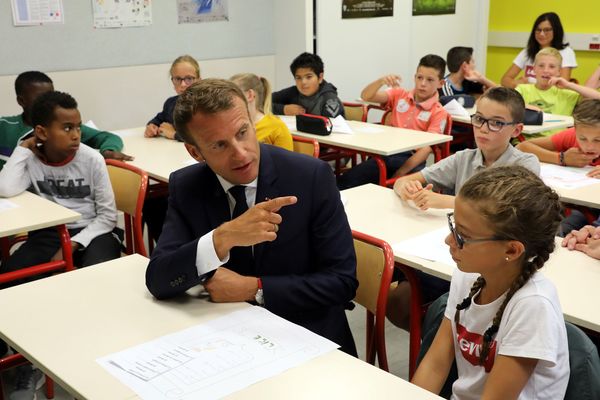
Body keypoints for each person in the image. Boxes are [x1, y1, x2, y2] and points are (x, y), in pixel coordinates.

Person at [145, 79, 358, 356]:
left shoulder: (310, 176)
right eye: (219, 145)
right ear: (195, 152)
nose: (241, 152)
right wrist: (223, 238)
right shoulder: (187, 185)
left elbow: (342, 283)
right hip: (224, 338)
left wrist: (254, 289)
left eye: (243, 132)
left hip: (307, 334)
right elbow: (159, 279)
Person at [0, 91, 120, 400]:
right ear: (41, 132)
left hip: (93, 231)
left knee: (95, 279)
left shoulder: (91, 158)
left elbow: (107, 217)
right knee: (14, 276)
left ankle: (98, 353)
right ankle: (30, 357)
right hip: (50, 232)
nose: (76, 135)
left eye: (78, 126)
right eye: (66, 128)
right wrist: (24, 150)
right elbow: (6, 188)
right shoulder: (31, 157)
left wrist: (74, 246)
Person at [412, 165, 569, 399]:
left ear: (512, 250)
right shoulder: (469, 275)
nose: (449, 240)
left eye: (463, 236)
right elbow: (436, 364)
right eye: (453, 226)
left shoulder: (533, 306)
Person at [389, 87, 538, 329]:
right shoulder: (465, 158)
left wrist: (451, 202)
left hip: (496, 264)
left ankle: (458, 334)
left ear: (517, 130)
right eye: (479, 119)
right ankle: (447, 336)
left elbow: (507, 210)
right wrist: (407, 187)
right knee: (397, 298)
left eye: (496, 123)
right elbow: (406, 179)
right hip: (455, 254)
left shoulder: (524, 164)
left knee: (410, 292)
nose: (483, 129)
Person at [337, 54, 449, 190]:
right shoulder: (400, 95)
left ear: (440, 83)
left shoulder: (439, 112)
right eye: (419, 77)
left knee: (389, 189)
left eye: (430, 80)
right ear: (414, 77)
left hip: (412, 161)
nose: (423, 83)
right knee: (347, 181)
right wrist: (381, 81)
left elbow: (426, 150)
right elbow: (366, 96)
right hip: (387, 154)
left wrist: (401, 173)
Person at [0, 71, 132, 170]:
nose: (48, 102)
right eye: (41, 97)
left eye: (51, 95)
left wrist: (108, 151)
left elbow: (108, 137)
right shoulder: (4, 126)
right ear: (21, 101)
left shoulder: (62, 128)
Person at [517, 100, 600, 234]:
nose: (589, 146)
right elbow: (522, 147)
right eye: (583, 139)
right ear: (575, 129)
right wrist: (561, 158)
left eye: (598, 140)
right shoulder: (571, 136)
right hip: (574, 207)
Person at [515, 48, 600, 122]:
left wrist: (568, 85)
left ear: (559, 71)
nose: (546, 70)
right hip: (525, 138)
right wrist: (533, 109)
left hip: (556, 140)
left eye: (551, 67)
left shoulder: (567, 94)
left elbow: (597, 97)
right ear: (534, 69)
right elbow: (508, 105)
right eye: (541, 66)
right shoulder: (522, 89)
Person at [501, 12, 576, 88]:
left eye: (547, 30)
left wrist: (529, 85)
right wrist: (519, 84)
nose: (541, 34)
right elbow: (505, 80)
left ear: (556, 31)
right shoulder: (527, 51)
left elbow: (562, 86)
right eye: (538, 30)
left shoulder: (566, 52)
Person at [230, 73, 293, 151]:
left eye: (233, 95)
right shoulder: (231, 125)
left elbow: (285, 161)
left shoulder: (277, 127)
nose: (228, 100)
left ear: (249, 95)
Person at [271, 52, 345, 118]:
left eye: (309, 77)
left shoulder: (330, 100)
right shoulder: (294, 92)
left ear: (320, 77)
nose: (303, 82)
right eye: (298, 78)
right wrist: (283, 109)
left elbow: (331, 129)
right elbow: (262, 102)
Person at [144, 55, 201, 141]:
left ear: (199, 80)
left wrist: (174, 134)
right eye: (178, 79)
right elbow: (159, 119)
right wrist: (152, 126)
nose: (183, 84)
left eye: (189, 79)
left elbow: (200, 136)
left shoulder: (204, 105)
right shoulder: (171, 103)